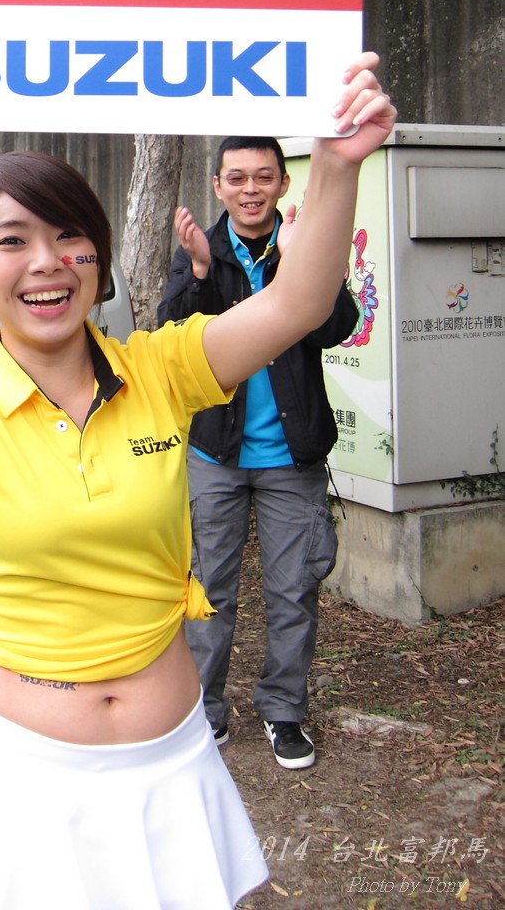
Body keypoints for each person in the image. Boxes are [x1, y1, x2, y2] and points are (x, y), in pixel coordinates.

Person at [0, 43, 394, 910]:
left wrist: (341, 164)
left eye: (69, 237)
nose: (47, 262)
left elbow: (297, 304)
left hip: (171, 767)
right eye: (12, 241)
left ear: (99, 256)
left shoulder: (163, 370)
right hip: (23, 779)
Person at [156, 138, 359, 773]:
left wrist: (302, 263)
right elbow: (168, 333)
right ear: (218, 185)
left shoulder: (303, 243)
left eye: (263, 177)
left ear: (283, 184)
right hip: (214, 452)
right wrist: (196, 272)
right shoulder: (201, 250)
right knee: (207, 588)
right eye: (237, 178)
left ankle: (284, 710)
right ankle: (204, 711)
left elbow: (337, 326)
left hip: (291, 458)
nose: (251, 189)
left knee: (294, 588)